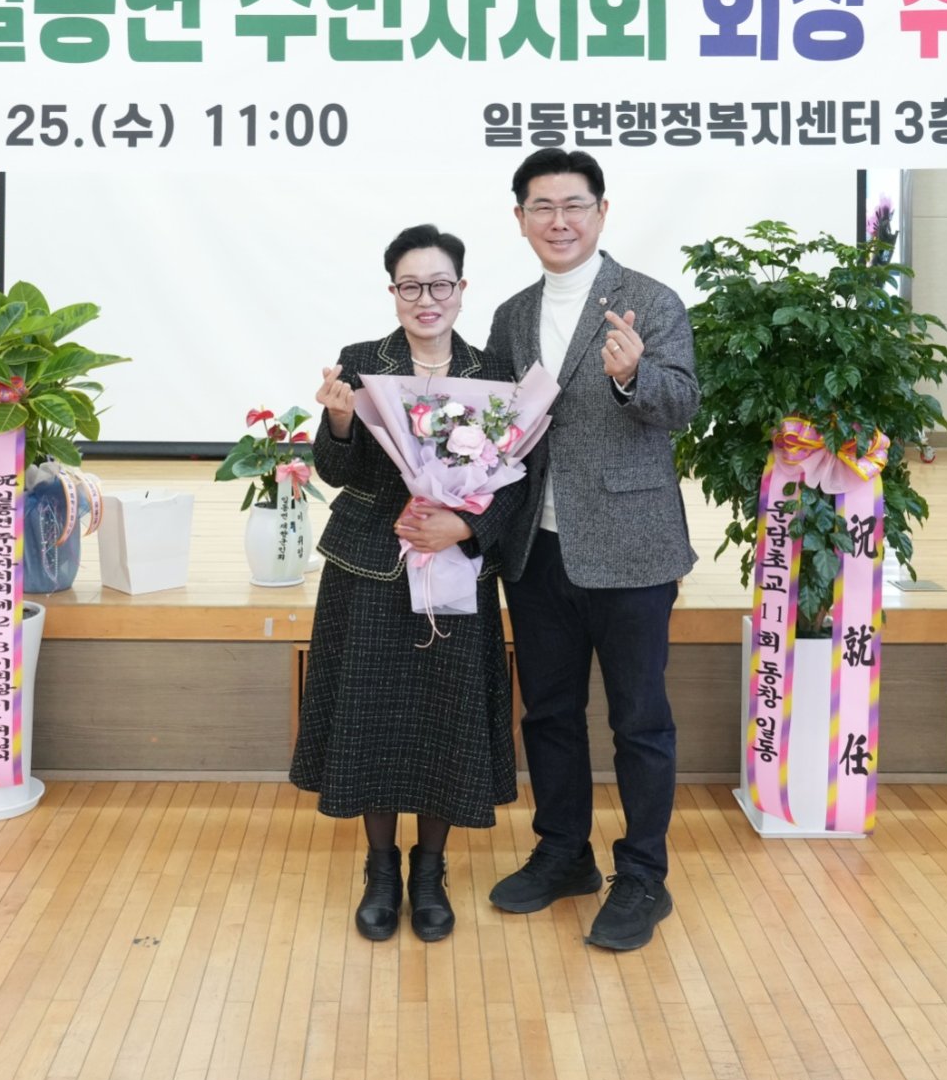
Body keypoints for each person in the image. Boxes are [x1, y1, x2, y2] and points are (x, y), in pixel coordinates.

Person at [480, 148, 701, 952]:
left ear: (601, 211)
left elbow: (682, 405)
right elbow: (498, 428)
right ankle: (563, 852)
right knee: (548, 711)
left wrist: (633, 376)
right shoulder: (510, 315)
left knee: (640, 720)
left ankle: (642, 875)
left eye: (573, 204)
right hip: (537, 549)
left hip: (631, 548)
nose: (559, 220)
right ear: (520, 219)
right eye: (541, 207)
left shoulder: (650, 299)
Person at [290, 223, 523, 943]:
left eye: (440, 284)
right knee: (373, 720)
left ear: (461, 289)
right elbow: (337, 472)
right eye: (411, 285)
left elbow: (517, 478)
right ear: (393, 291)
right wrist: (338, 420)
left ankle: (430, 868)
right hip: (371, 564)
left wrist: (465, 528)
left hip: (457, 565)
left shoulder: (493, 371)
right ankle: (381, 868)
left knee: (443, 719)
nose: (427, 298)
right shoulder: (363, 362)